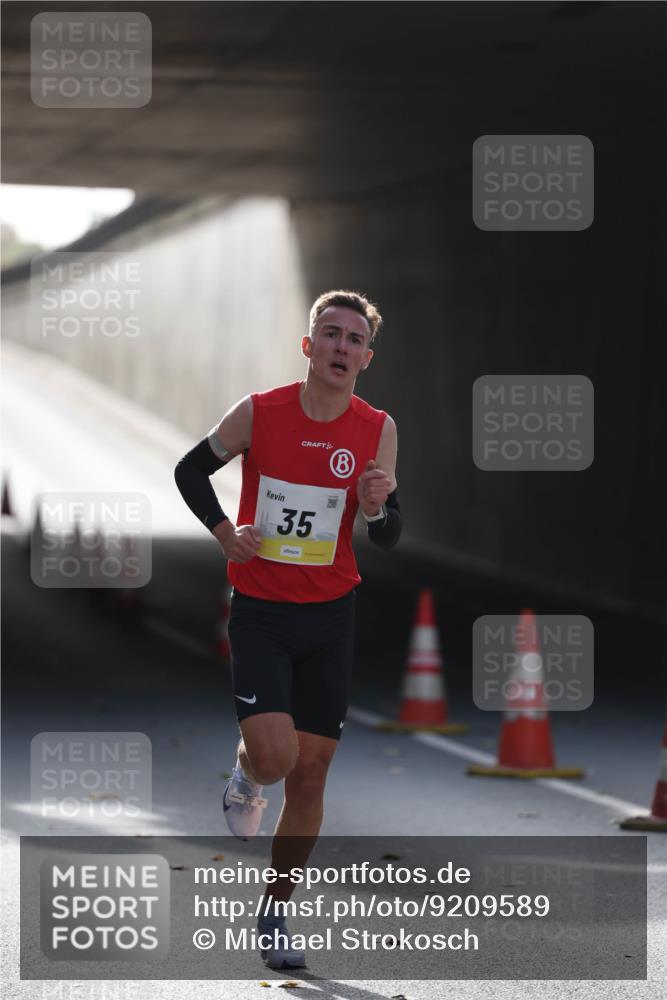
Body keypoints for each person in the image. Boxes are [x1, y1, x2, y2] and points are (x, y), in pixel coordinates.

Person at [174, 289, 402, 968]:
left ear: (365, 357)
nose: (340, 347)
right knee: (274, 761)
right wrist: (225, 533)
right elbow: (190, 470)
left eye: (353, 339)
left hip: (331, 616)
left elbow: (389, 534)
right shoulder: (259, 412)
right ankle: (246, 775)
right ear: (308, 347)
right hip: (263, 613)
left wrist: (377, 508)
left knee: (310, 778)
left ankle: (275, 913)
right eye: (328, 334)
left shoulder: (377, 427)